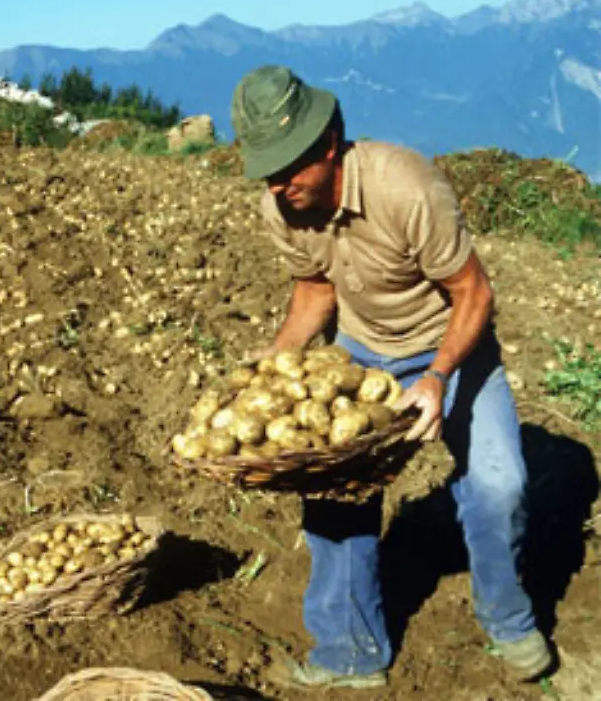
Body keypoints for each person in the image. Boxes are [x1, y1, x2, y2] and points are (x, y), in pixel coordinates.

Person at [229, 65, 553, 690]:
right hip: (361, 350)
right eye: (266, 171)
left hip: (450, 343)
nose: (276, 186)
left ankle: (507, 620)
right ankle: (350, 650)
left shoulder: (406, 186)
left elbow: (473, 292)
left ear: (328, 146)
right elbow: (315, 292)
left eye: (288, 169)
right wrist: (273, 366)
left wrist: (435, 377)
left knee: (499, 483)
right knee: (333, 494)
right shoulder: (283, 208)